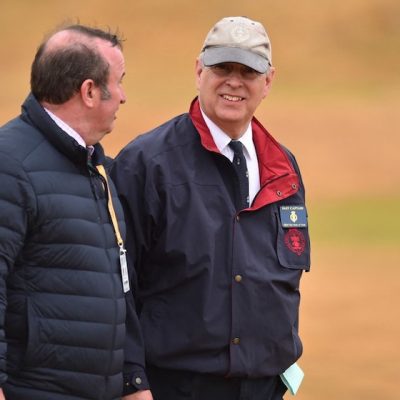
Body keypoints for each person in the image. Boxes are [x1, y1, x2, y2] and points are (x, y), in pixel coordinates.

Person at [111, 16, 310, 400]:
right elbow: (117, 286)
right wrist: (131, 380)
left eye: (248, 71)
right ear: (199, 70)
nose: (234, 81)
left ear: (267, 81)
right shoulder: (145, 163)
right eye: (222, 67)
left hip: (264, 388)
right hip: (174, 386)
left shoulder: (283, 166)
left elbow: (283, 279)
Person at [0, 24, 152, 400]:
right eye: (118, 82)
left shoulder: (96, 168)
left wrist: (133, 382)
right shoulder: (9, 163)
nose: (123, 96)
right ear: (88, 91)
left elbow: (118, 288)